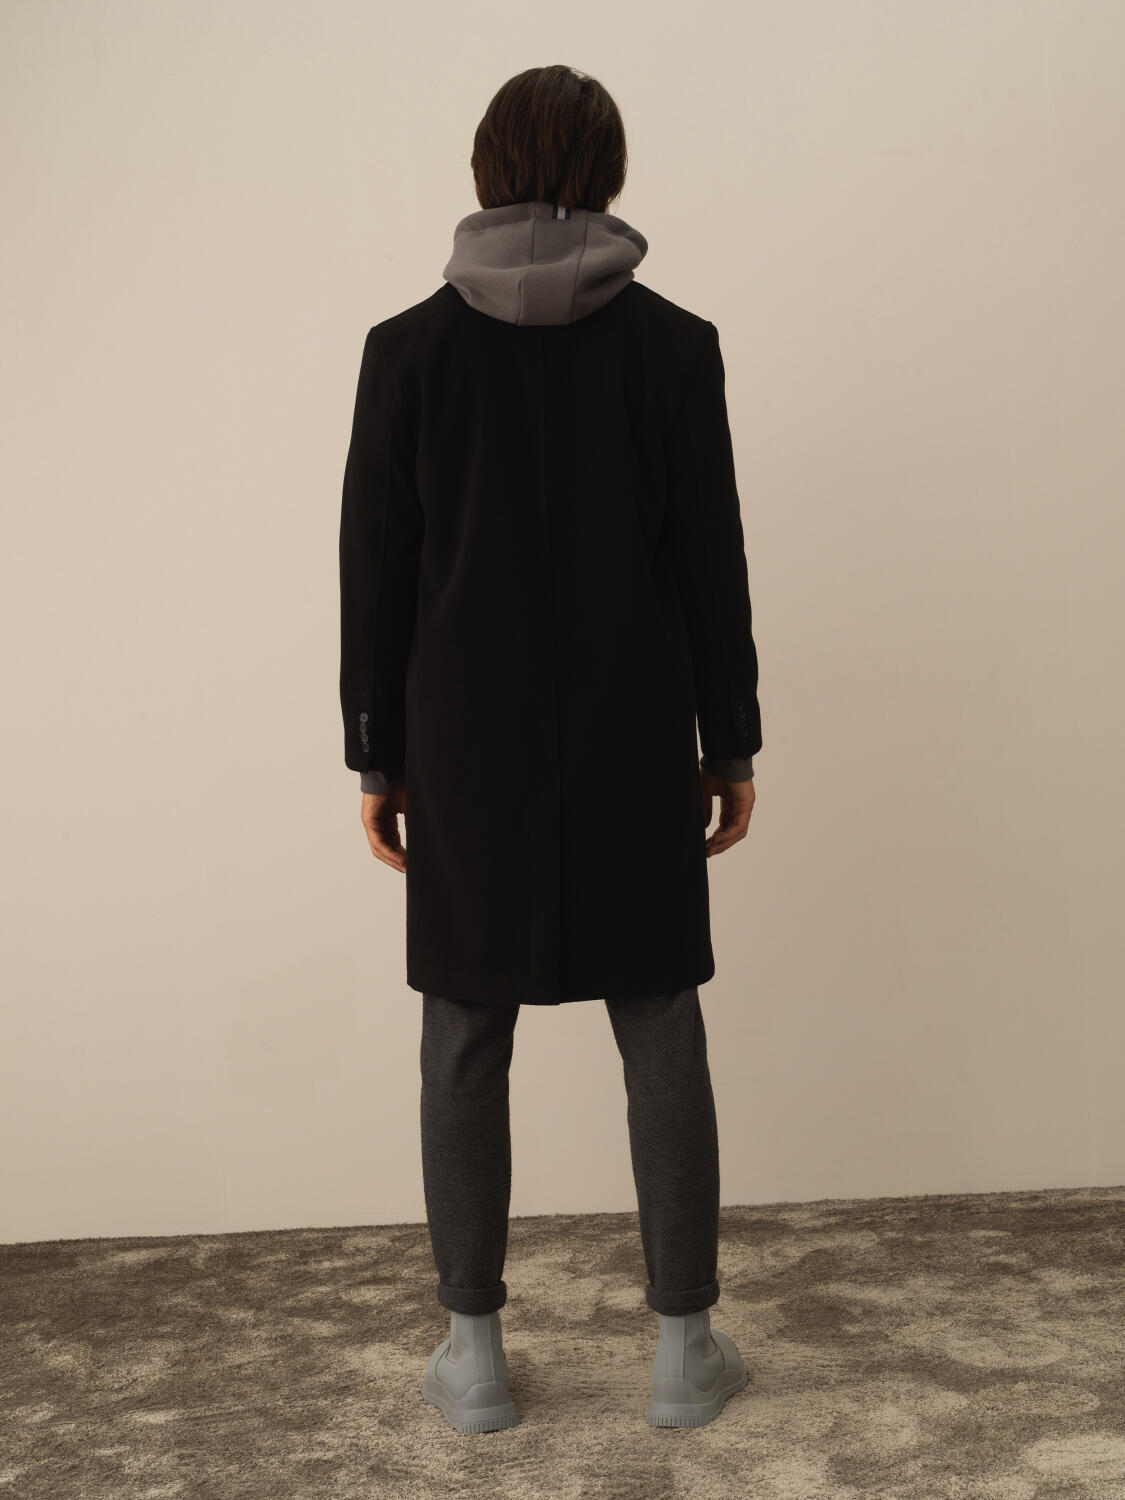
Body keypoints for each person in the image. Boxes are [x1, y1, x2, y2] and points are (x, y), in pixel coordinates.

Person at [338, 64, 762, 1434]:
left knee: (464, 1032)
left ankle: (473, 1359)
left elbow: (376, 574)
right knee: (661, 1025)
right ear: (608, 170)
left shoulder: (406, 351)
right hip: (633, 731)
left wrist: (375, 755)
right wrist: (730, 740)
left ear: (485, 168)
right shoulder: (673, 346)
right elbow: (708, 563)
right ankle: (684, 1353)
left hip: (465, 745)